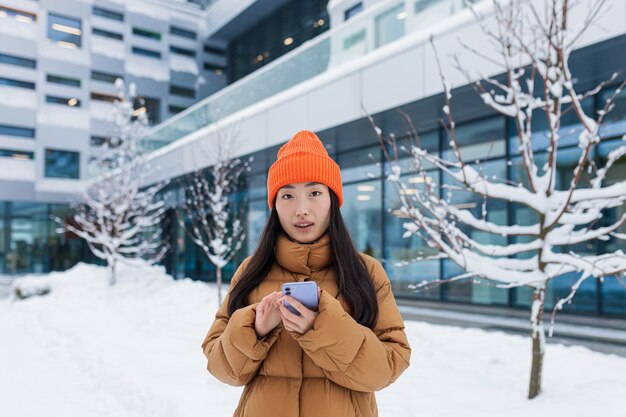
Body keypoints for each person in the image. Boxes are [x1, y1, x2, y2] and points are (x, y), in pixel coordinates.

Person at [201, 130, 411, 417]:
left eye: (314, 193)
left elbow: (389, 366)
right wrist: (255, 330)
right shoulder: (251, 271)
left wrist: (322, 326)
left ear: (333, 200)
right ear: (274, 204)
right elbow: (221, 368)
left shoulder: (366, 272)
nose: (301, 209)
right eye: (287, 195)